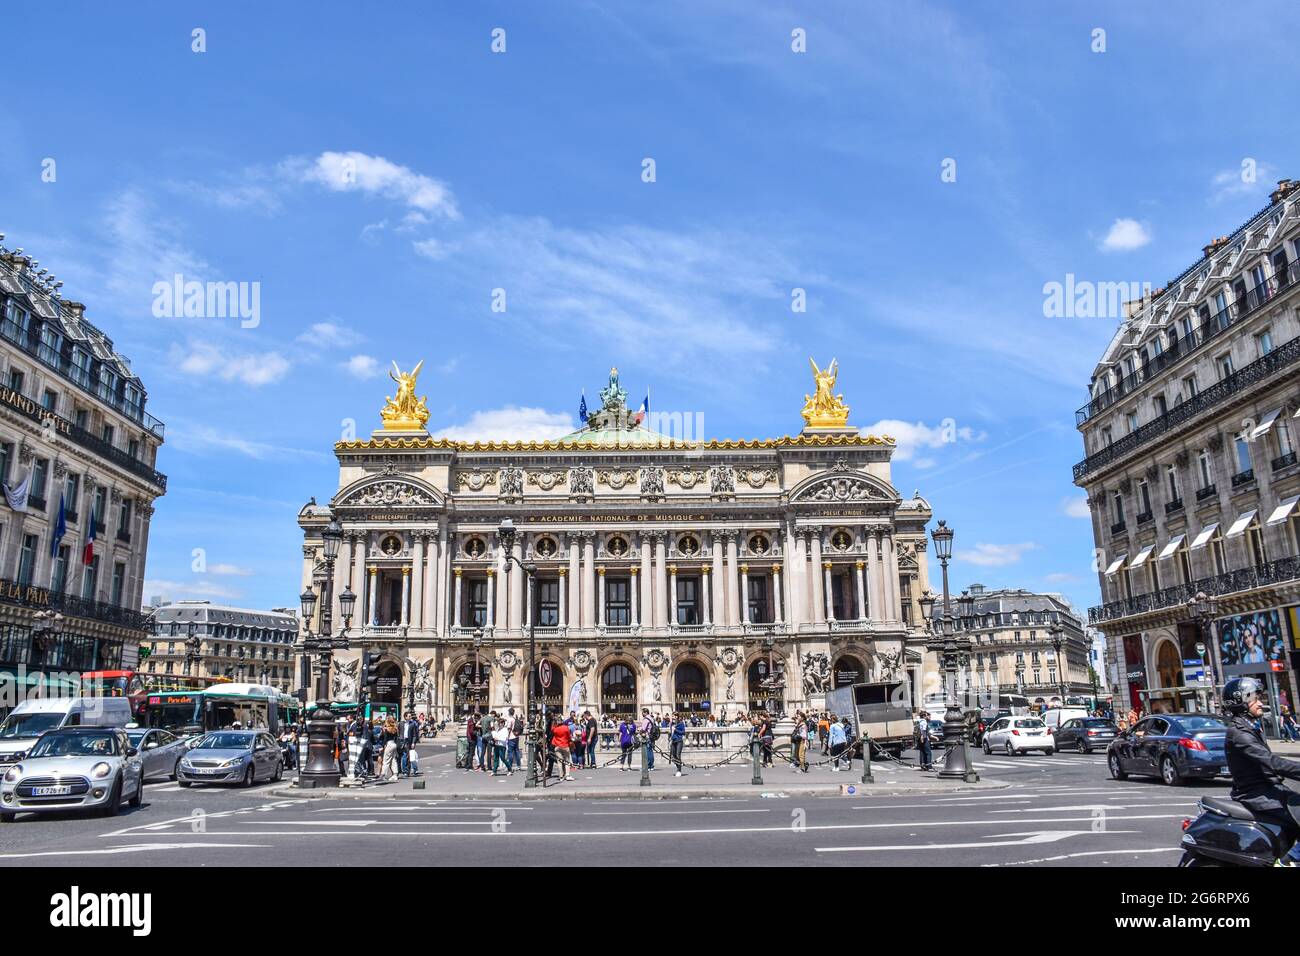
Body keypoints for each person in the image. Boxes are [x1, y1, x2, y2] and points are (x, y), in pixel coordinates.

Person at [1223, 676, 1300, 866]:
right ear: (1241, 703)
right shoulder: (1239, 733)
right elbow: (1271, 762)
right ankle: (1288, 862)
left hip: (1269, 789)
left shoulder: (1250, 727)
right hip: (1256, 794)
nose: (1260, 703)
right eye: (1255, 699)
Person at [551, 714, 574, 781]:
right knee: (567, 761)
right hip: (565, 746)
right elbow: (569, 737)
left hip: (557, 746)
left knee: (559, 762)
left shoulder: (555, 729)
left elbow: (552, 729)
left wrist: (554, 723)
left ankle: (561, 776)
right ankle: (567, 775)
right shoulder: (566, 728)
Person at [669, 711, 687, 776]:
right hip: (673, 741)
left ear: (676, 717)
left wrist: (675, 730)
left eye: (673, 716)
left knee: (678, 755)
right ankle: (678, 766)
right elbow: (671, 732)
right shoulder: (671, 724)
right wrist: (670, 739)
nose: (672, 717)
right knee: (673, 757)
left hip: (679, 741)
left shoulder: (681, 724)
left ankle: (679, 770)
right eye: (672, 716)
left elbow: (683, 732)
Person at [506, 707, 523, 772]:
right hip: (516, 737)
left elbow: (509, 729)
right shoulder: (515, 719)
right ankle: (519, 766)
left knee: (510, 752)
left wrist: (507, 737)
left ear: (509, 713)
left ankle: (510, 766)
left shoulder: (510, 719)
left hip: (511, 737)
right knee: (517, 751)